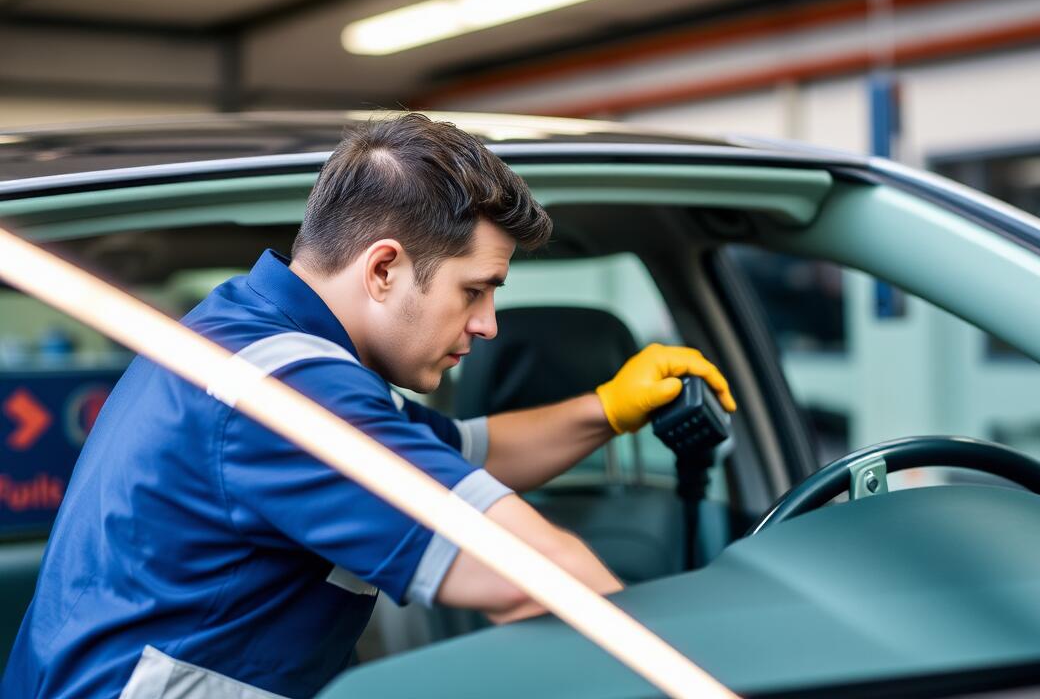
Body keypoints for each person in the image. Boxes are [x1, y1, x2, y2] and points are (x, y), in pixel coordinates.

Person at [1, 114, 736, 699]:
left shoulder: (258, 341)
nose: (487, 324)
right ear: (383, 268)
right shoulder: (285, 396)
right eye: (473, 290)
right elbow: (537, 573)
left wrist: (608, 408)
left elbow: (465, 454)